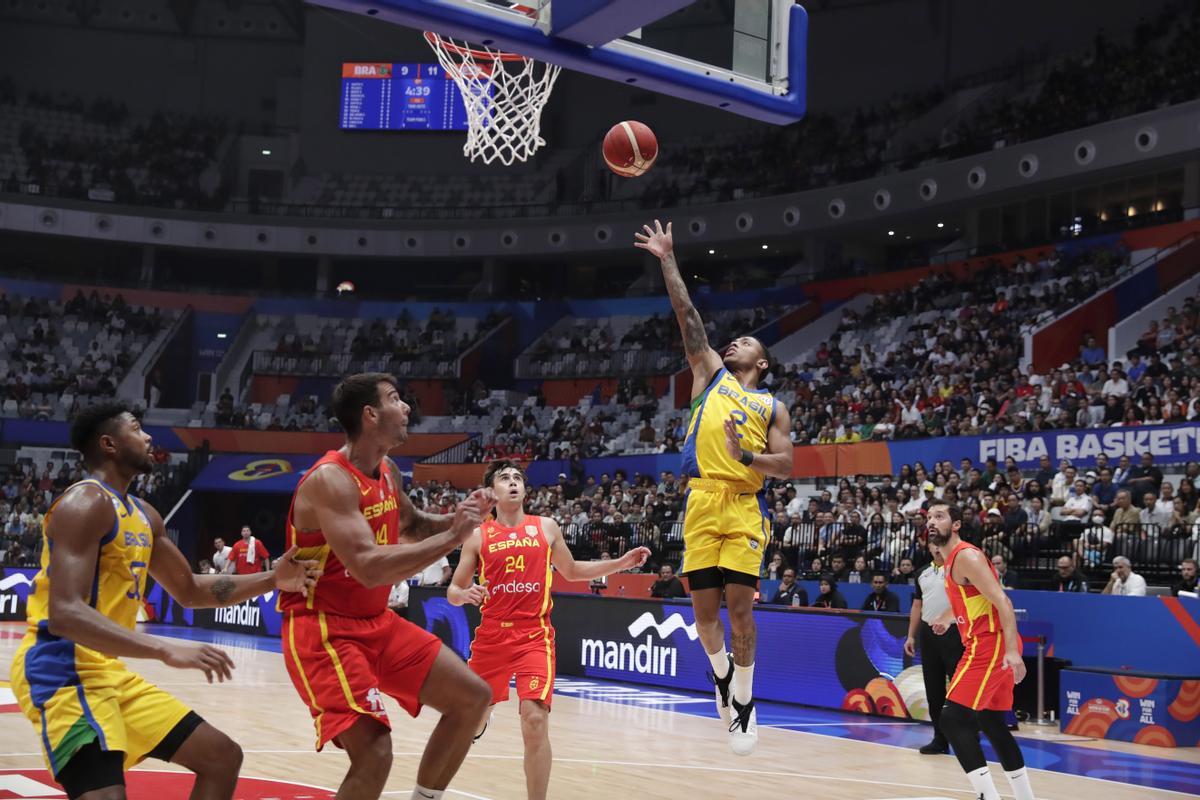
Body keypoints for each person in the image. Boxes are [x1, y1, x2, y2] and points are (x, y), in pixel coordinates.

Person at [10, 402, 318, 800]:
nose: (149, 436)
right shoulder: (85, 503)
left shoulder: (145, 515)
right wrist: (164, 649)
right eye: (136, 429)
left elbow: (189, 590)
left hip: (106, 671)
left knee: (221, 757)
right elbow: (66, 614)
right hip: (61, 669)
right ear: (109, 444)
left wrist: (274, 578)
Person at [277, 373, 496, 800]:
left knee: (473, 697)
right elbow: (367, 568)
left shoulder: (388, 471)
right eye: (396, 399)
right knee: (375, 753)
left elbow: (412, 526)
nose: (408, 407)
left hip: (375, 622)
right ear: (370, 414)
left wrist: (461, 521)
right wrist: (453, 538)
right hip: (324, 629)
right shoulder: (330, 480)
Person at [635, 219, 794, 755]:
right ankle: (722, 675)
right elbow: (688, 317)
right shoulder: (710, 375)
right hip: (701, 502)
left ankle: (746, 704)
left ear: (762, 362)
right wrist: (667, 260)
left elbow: (787, 465)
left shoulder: (773, 406)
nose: (734, 342)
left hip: (745, 506)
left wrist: (744, 454)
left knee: (741, 610)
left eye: (746, 341)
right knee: (704, 618)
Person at [447, 460, 648, 800]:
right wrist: (463, 594)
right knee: (470, 721)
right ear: (491, 492)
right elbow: (453, 590)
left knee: (535, 720)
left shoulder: (547, 527)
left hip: (533, 636)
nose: (512, 482)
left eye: (517, 478)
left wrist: (620, 563)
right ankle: (481, 720)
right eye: (503, 478)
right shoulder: (479, 536)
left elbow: (571, 570)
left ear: (524, 489)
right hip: (492, 636)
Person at [925, 500, 1035, 800]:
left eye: (940, 516)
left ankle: (988, 796)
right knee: (990, 721)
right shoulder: (949, 562)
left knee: (952, 719)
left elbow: (1003, 602)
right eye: (929, 517)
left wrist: (1012, 652)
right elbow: (972, 599)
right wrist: (948, 618)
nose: (931, 521)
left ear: (956, 524)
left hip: (990, 644)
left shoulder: (967, 556)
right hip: (986, 642)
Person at [905, 539, 965, 755]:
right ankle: (939, 738)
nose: (938, 548)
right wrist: (911, 636)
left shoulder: (959, 570)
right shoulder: (921, 572)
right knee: (933, 688)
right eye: (934, 545)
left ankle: (968, 736)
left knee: (959, 687)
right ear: (929, 548)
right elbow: (917, 605)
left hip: (955, 632)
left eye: (942, 544)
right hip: (929, 634)